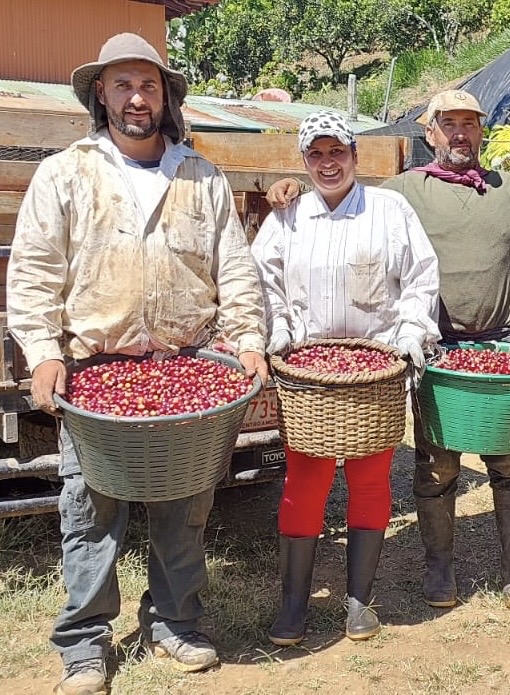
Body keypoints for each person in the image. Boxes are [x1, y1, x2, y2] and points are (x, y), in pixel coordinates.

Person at [265, 90, 510, 613]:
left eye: (469, 123)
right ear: (429, 133)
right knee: (435, 464)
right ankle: (439, 567)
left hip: (502, 346)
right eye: (447, 123)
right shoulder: (404, 192)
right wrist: (285, 188)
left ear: (482, 131)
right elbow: (342, 197)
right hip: (437, 350)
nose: (459, 133)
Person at [7, 33, 268, 695]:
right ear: (101, 92)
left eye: (148, 85)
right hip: (96, 372)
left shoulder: (199, 176)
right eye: (122, 84)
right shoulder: (67, 172)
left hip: (186, 370)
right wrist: (41, 355)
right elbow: (34, 275)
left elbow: (235, 271)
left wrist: (248, 340)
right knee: (91, 511)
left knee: (184, 507)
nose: (136, 97)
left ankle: (176, 622)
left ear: (164, 96)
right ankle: (85, 645)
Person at [251, 110, 440, 645]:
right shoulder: (289, 216)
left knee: (370, 479)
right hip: (308, 375)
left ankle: (359, 600)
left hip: (373, 371)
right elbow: (264, 281)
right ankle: (294, 604)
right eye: (317, 154)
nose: (328, 163)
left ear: (356, 156)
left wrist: (407, 338)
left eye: (338, 153)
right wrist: (281, 332)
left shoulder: (388, 210)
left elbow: (421, 280)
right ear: (305, 161)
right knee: (305, 483)